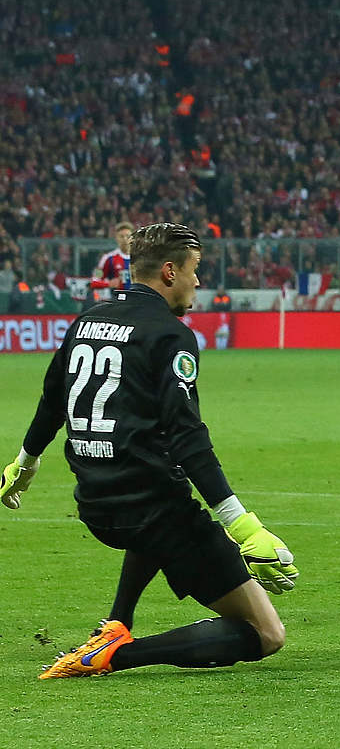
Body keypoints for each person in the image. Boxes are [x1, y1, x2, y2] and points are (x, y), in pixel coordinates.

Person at [0, 222, 296, 678]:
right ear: (171, 272)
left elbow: (53, 396)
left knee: (160, 489)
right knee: (265, 633)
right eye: (196, 270)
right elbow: (187, 436)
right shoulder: (170, 334)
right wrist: (242, 524)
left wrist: (26, 460)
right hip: (149, 508)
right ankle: (115, 655)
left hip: (96, 502)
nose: (199, 281)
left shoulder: (89, 318)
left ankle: (116, 623)